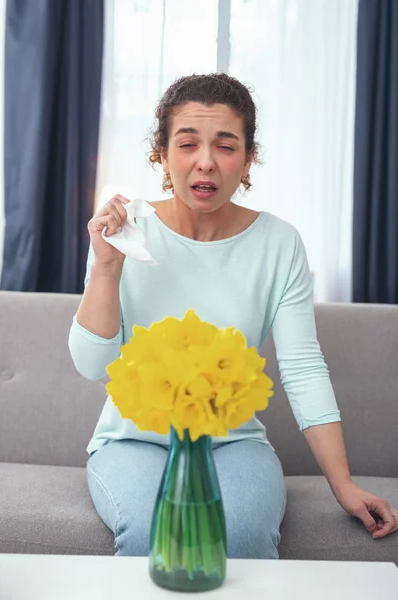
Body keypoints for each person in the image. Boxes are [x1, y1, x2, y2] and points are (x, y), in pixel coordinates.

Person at [68, 72, 398, 559]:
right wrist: (107, 265)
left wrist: (344, 485)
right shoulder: (125, 231)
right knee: (150, 536)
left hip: (233, 443)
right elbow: (94, 368)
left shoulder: (279, 243)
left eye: (225, 145)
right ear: (161, 153)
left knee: (242, 538)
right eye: (187, 144)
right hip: (131, 442)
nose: (206, 162)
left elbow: (303, 369)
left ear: (248, 158)